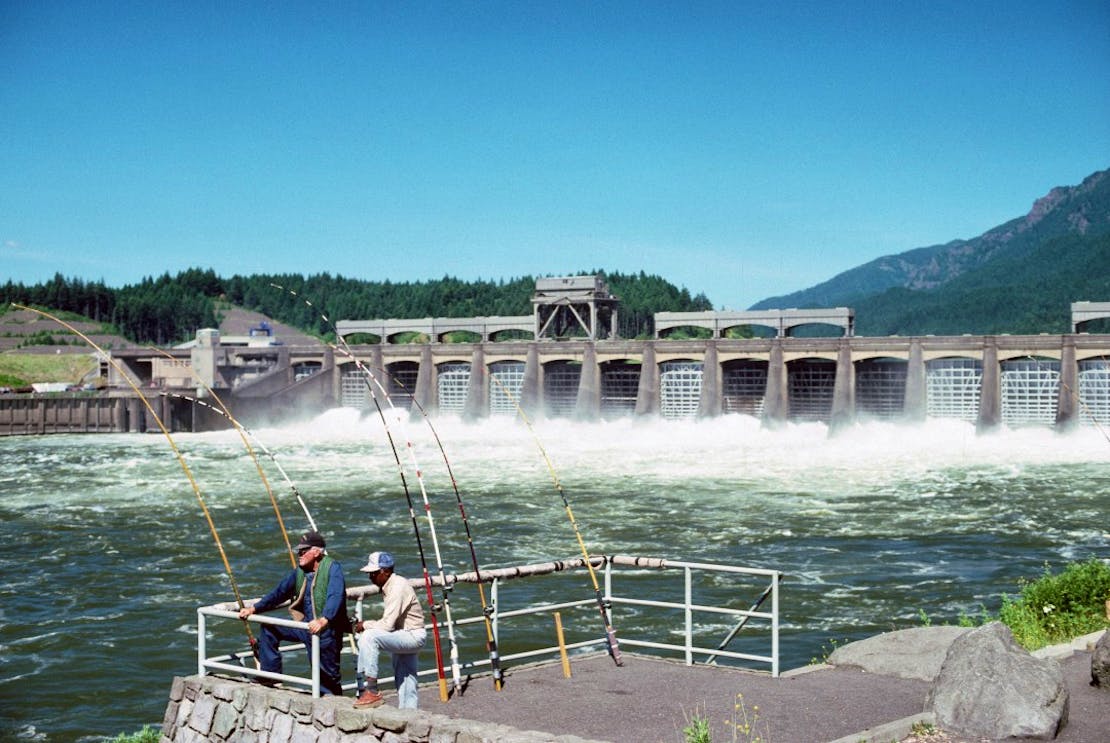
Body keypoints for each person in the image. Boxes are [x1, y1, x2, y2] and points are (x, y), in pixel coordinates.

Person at [238, 530, 350, 695]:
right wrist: (254, 608)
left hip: (326, 631)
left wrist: (323, 620)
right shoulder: (300, 571)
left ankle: (334, 704)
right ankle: (270, 676)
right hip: (305, 626)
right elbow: (279, 592)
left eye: (303, 551)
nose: (299, 555)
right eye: (298, 552)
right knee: (269, 627)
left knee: (328, 676)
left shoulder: (333, 568)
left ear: (317, 552)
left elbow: (336, 596)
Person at [354, 551, 427, 709]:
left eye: (373, 574)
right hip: (405, 633)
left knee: (368, 637)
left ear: (385, 571)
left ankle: (371, 689)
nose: (370, 578)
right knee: (406, 678)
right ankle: (409, 715)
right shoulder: (392, 584)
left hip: (411, 635)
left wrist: (365, 624)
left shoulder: (397, 587)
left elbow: (387, 625)